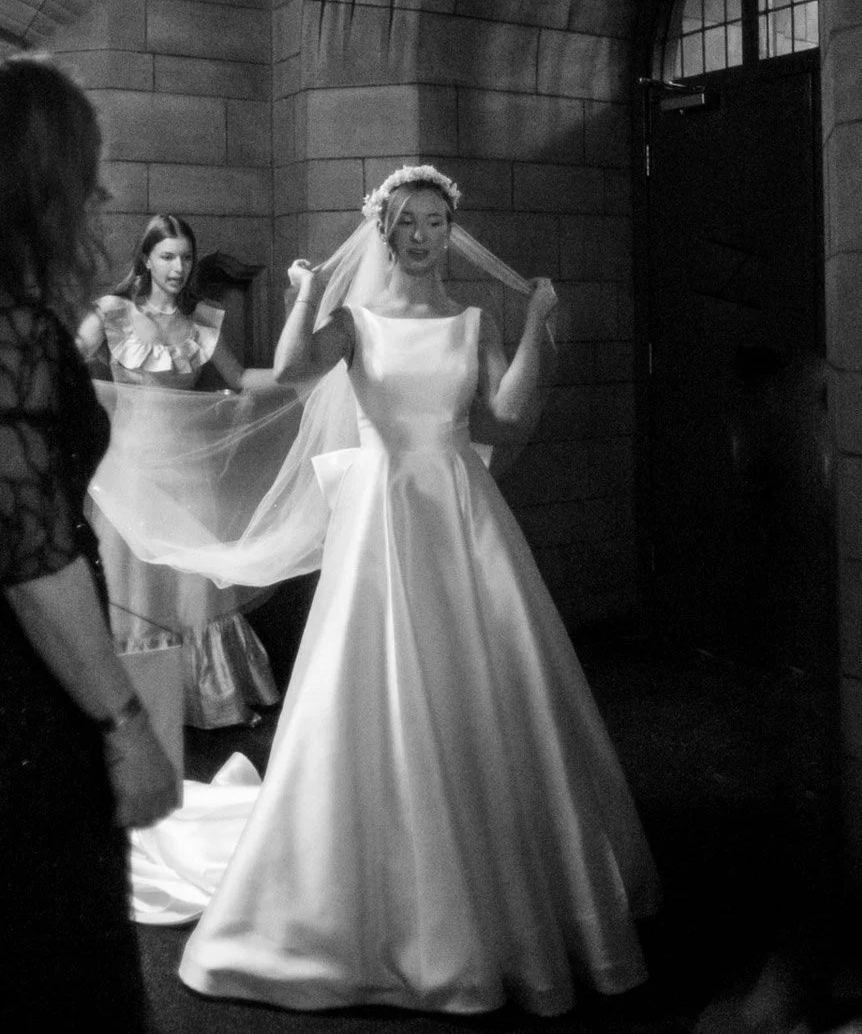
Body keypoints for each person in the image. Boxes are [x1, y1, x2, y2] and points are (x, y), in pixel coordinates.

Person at [177, 164, 661, 1016]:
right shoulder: (356, 323)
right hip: (381, 516)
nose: (425, 233)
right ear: (385, 229)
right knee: (374, 684)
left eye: (437, 220)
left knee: (490, 681)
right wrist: (302, 296)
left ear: (450, 229)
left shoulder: (473, 322)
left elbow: (505, 419)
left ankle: (500, 890)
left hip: (460, 512)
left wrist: (539, 326)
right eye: (409, 220)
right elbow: (289, 374)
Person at [0, 52, 179, 1028]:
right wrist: (126, 725)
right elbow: (30, 557)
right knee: (59, 955)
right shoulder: (11, 327)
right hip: (30, 695)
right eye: (87, 170)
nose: (101, 193)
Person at [77, 214, 281, 728]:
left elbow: (242, 379)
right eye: (168, 255)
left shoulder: (204, 320)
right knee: (132, 592)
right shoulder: (112, 313)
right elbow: (66, 364)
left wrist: (306, 374)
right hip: (128, 476)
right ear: (146, 258)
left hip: (190, 477)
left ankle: (205, 702)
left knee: (193, 593)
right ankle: (135, 712)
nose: (179, 267)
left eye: (186, 257)